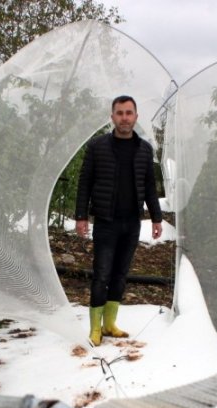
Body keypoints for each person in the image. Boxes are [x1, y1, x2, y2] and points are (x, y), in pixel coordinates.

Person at [75, 95, 163, 346]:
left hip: (131, 222)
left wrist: (156, 218)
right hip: (106, 222)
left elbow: (148, 187)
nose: (124, 117)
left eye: (129, 113)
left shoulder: (144, 150)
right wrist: (81, 216)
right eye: (120, 113)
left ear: (136, 117)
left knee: (121, 274)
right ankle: (95, 329)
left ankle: (110, 324)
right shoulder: (97, 147)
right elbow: (85, 183)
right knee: (102, 274)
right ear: (112, 117)